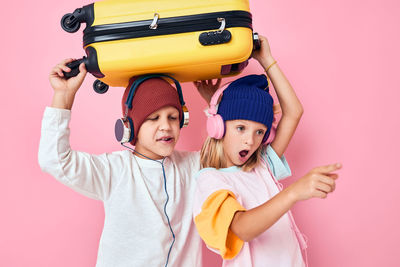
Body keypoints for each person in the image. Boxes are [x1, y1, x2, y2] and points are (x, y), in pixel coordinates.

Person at [38, 60, 220, 267]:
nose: (166, 126)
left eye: (172, 117)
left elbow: (232, 149)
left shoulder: (193, 166)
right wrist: (63, 96)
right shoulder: (114, 171)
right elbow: (53, 159)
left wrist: (215, 105)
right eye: (153, 118)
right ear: (130, 127)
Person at [193, 36, 342, 267]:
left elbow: (294, 111)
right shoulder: (211, 180)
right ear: (218, 127)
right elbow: (241, 228)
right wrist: (292, 193)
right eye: (240, 128)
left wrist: (268, 61)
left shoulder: (262, 165)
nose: (250, 141)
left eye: (260, 132)